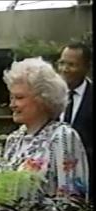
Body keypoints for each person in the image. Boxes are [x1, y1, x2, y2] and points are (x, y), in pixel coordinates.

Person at [0, 57, 89, 200]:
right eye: (11, 98)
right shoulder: (13, 140)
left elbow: (73, 203)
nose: (12, 105)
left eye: (19, 97)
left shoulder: (62, 137)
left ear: (43, 99)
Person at [57, 42, 93, 200]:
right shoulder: (50, 97)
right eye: (62, 63)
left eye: (71, 65)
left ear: (87, 67)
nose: (64, 69)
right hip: (55, 178)